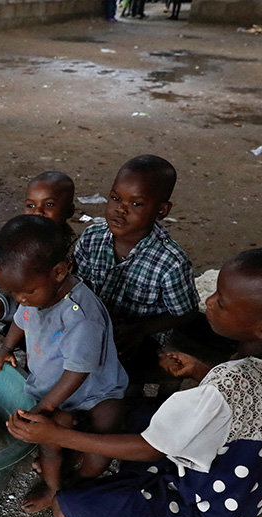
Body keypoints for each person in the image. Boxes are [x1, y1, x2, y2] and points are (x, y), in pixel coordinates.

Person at [6, 248, 262, 517]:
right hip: (240, 483)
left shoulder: (226, 386)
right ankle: (154, 511)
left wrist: (55, 436)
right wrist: (202, 371)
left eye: (221, 302)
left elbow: (150, 448)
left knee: (68, 512)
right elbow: (251, 401)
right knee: (137, 416)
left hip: (205, 511)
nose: (208, 302)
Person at [0, 215, 127, 514]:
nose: (21, 299)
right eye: (14, 293)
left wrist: (46, 407)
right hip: (54, 388)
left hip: (95, 393)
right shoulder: (36, 296)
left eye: (27, 292)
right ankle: (53, 485)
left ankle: (78, 477)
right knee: (48, 438)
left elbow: (78, 372)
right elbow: (21, 320)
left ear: (60, 271)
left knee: (99, 450)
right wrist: (5, 346)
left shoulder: (81, 317)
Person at [73, 155, 199, 381]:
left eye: (136, 204)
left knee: (112, 370)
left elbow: (185, 312)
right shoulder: (92, 237)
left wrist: (141, 330)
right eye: (115, 198)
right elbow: (77, 284)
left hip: (137, 336)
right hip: (91, 323)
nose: (120, 209)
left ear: (162, 210)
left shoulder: (170, 262)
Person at [0, 171, 77, 349]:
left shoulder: (73, 246)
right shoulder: (19, 234)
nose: (38, 212)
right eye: (30, 205)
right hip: (23, 301)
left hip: (54, 309)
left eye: (49, 204)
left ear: (69, 211)